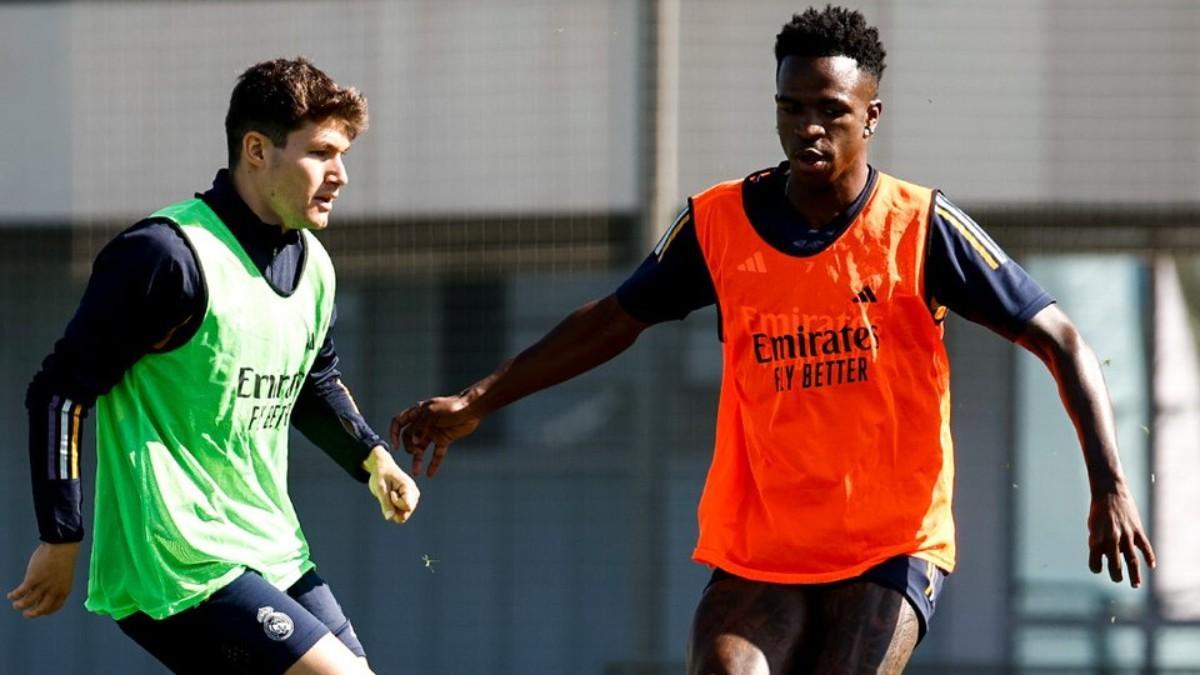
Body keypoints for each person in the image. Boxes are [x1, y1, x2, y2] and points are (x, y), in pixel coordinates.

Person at [391, 7, 1156, 674]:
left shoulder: (920, 227)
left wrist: (1109, 483)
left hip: (889, 542)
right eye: (791, 108)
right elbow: (613, 319)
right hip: (761, 544)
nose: (808, 128)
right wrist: (479, 399)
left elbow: (1060, 337)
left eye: (830, 110)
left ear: (873, 114)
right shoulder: (720, 222)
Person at [7, 57, 418, 675]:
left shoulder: (313, 263)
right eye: (323, 153)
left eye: (345, 155)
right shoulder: (163, 256)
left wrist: (372, 458)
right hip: (176, 562)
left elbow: (313, 381)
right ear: (257, 149)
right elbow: (60, 394)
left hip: (272, 549)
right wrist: (61, 537)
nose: (341, 175)